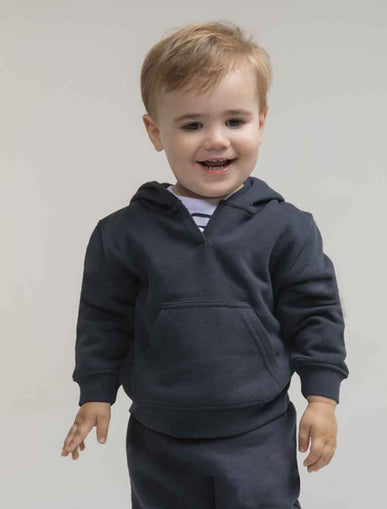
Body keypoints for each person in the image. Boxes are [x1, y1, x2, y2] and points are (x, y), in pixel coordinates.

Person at [61, 20, 349, 508]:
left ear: (261, 122)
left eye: (234, 121)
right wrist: (96, 393)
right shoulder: (123, 233)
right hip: (159, 436)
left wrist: (322, 398)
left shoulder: (287, 228)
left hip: (258, 433)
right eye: (192, 125)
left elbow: (316, 313)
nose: (216, 140)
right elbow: (102, 320)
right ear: (156, 131)